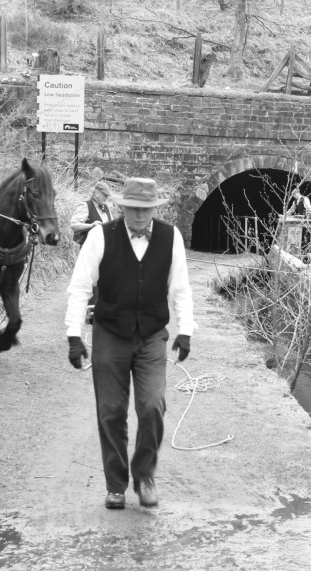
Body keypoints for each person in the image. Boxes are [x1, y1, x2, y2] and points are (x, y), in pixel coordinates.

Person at [65, 177, 195, 511]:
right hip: (110, 333)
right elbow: (80, 287)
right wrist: (74, 335)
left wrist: (185, 330)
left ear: (154, 209)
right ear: (123, 208)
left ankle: (145, 475)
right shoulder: (100, 236)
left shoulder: (170, 237)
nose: (140, 215)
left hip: (152, 335)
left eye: (146, 209)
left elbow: (180, 287)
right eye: (134, 209)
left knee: (152, 405)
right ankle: (116, 485)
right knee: (110, 410)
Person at [70, 180, 116, 247]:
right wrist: (91, 226)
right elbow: (73, 225)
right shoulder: (85, 206)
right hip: (87, 249)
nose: (106, 198)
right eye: (105, 195)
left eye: (107, 196)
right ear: (97, 193)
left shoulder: (106, 207)